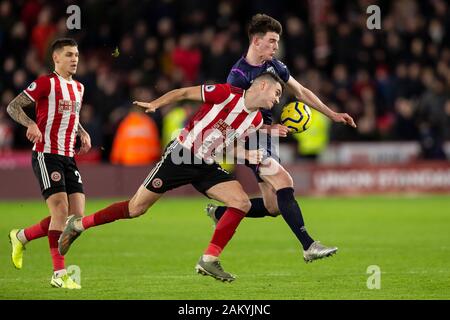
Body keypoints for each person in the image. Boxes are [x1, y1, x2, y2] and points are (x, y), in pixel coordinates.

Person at [58, 72, 284, 282]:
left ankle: (209, 259)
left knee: (241, 202)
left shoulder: (254, 121)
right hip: (181, 155)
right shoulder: (226, 94)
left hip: (205, 163)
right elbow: (184, 92)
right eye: (277, 93)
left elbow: (226, 144)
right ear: (263, 85)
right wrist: (156, 103)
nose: (277, 99)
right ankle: (78, 224)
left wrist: (246, 153)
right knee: (136, 208)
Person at [206, 14, 357, 262]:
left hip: (266, 137)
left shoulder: (274, 66)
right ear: (256, 41)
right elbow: (234, 119)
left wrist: (332, 113)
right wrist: (267, 130)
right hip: (251, 139)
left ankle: (221, 213)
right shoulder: (238, 76)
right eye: (272, 41)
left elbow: (300, 91)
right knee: (284, 181)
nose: (276, 47)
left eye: (277, 42)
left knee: (273, 206)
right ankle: (309, 245)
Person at [6, 38, 90, 289]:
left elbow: (71, 116)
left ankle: (21, 236)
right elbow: (13, 106)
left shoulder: (79, 88)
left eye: (76, 54)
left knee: (76, 219)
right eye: (68, 55)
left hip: (68, 156)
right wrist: (31, 124)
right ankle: (58, 274)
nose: (74, 59)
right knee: (60, 212)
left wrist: (82, 132)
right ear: (56, 58)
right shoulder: (45, 83)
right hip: (46, 154)